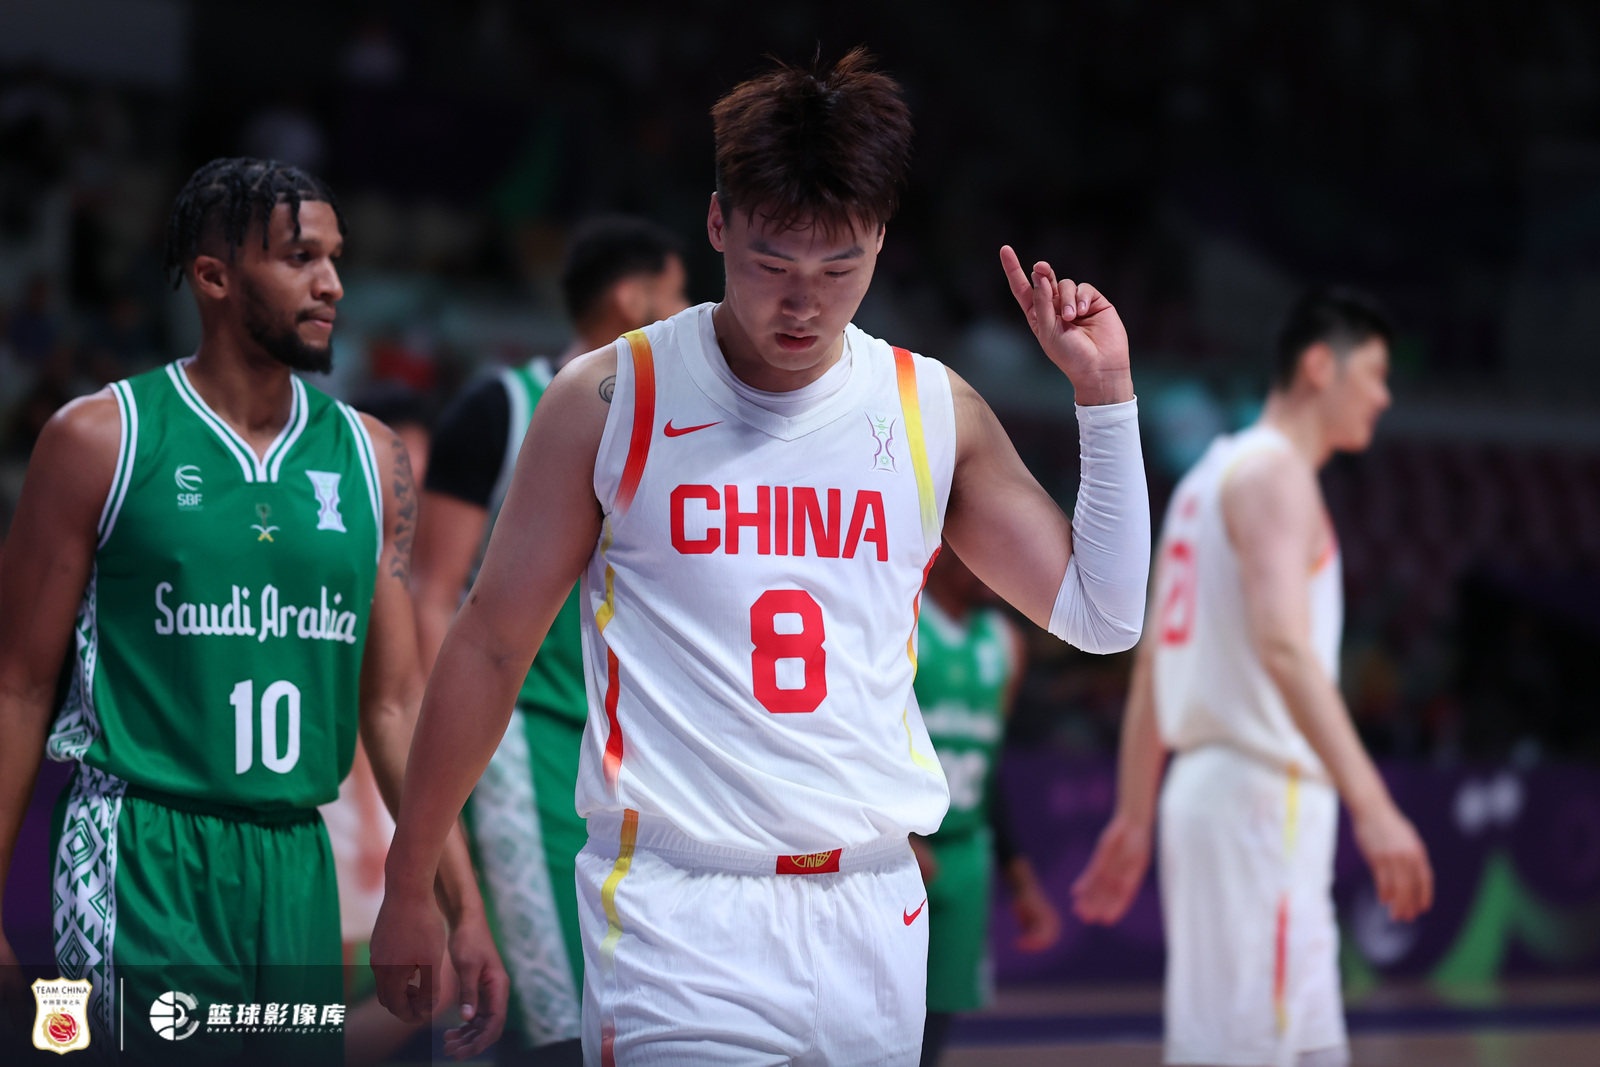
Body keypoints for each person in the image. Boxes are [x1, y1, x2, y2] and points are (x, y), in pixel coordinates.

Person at [372, 48, 1151, 1066]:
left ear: (881, 239)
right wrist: (409, 878)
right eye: (773, 265)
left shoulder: (930, 408)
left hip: (873, 908)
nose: (804, 304)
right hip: (675, 912)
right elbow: (487, 644)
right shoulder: (610, 398)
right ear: (717, 224)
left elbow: (1104, 615)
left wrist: (1106, 396)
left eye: (839, 269)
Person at [0, 157, 506, 1066]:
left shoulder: (372, 457)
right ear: (214, 277)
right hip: (140, 848)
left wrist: (458, 904)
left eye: (336, 257)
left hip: (295, 859)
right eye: (301, 257)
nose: (333, 283)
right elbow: (18, 685)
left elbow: (394, 704)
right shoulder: (99, 439)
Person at [1072, 287, 1434, 1067]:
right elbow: (1284, 648)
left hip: (1220, 796)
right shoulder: (1275, 475)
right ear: (1319, 366)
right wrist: (1375, 806)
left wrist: (1134, 814)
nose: (1384, 396)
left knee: (1305, 1048)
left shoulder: (1205, 478)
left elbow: (1153, 663)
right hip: (1261, 799)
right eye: (1374, 374)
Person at [410, 215, 688, 1067]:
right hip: (523, 741)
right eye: (677, 293)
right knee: (555, 1014)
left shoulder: (681, 422)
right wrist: (442, 744)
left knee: (639, 1018)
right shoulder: (502, 406)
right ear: (632, 298)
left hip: (640, 757)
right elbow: (433, 594)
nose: (691, 312)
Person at [910, 546, 1061, 1066]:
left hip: (966, 851)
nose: (998, 570)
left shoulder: (1006, 644)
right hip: (897, 852)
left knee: (935, 1025)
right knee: (873, 1018)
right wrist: (895, 834)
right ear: (947, 549)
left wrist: (1021, 882)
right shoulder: (904, 623)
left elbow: (989, 771)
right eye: (983, 553)